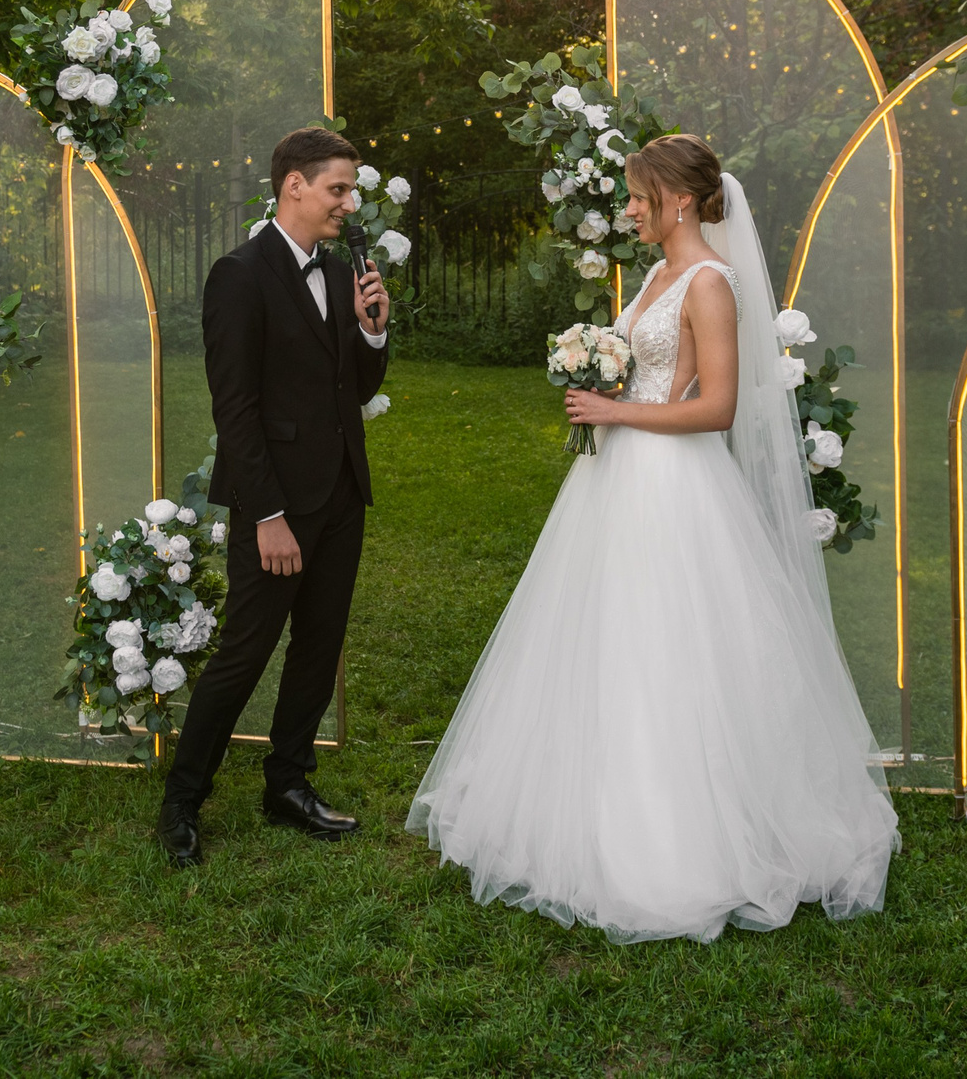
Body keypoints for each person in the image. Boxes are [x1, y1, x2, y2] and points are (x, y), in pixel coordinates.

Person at [406, 133, 898, 942]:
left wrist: (615, 409)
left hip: (675, 483)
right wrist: (597, 375)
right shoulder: (655, 276)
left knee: (669, 645)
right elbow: (641, 366)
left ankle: (679, 840)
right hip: (615, 477)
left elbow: (719, 407)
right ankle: (590, 806)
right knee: (604, 639)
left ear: (675, 198)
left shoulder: (709, 282)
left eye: (637, 196)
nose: (628, 209)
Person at [158, 126, 391, 867]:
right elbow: (236, 411)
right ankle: (181, 802)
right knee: (245, 654)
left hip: (342, 495)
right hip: (277, 507)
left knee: (318, 649)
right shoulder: (239, 275)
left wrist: (371, 332)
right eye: (339, 189)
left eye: (350, 191)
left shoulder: (334, 269)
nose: (348, 204)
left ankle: (286, 783)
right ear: (294, 184)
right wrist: (266, 515)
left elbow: (353, 387)